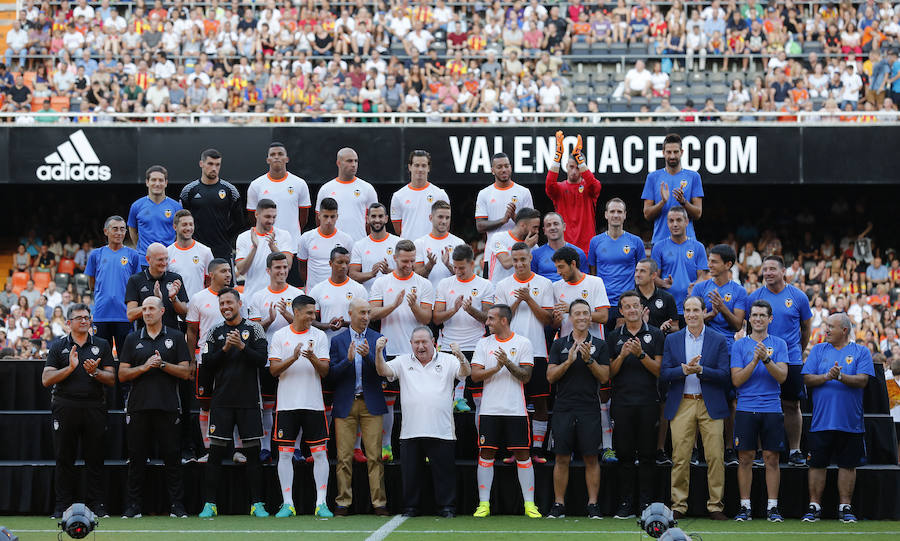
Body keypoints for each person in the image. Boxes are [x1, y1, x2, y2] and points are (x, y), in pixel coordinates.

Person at [375, 327, 470, 517]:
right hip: (411, 430)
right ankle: (411, 507)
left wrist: (459, 354)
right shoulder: (403, 361)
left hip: (442, 429)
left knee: (444, 474)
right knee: (411, 474)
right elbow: (382, 370)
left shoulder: (449, 359)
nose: (420, 346)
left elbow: (466, 372)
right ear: (410, 344)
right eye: (416, 342)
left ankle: (447, 507)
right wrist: (378, 352)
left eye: (424, 342)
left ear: (433, 341)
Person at [118, 296, 192, 519]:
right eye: (144, 308)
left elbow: (186, 372)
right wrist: (144, 367)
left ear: (161, 312)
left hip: (168, 407)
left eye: (151, 308)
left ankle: (177, 506)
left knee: (172, 458)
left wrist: (162, 364)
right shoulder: (132, 339)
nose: (146, 312)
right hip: (138, 407)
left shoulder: (177, 337)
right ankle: (133, 507)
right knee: (137, 459)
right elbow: (122, 375)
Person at [198, 288, 269, 518]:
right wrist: (226, 348)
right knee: (216, 454)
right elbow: (207, 363)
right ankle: (210, 504)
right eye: (222, 304)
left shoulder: (254, 328)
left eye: (229, 302)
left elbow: (262, 360)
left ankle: (257, 504)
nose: (225, 307)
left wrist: (242, 347)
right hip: (222, 401)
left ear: (239, 303)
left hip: (249, 401)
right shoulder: (214, 331)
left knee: (252, 454)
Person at [41, 303, 115, 519]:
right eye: (79, 317)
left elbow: (111, 379)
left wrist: (95, 372)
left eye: (87, 317)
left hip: (95, 406)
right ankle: (62, 506)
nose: (84, 320)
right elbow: (46, 379)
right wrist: (70, 368)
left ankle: (97, 505)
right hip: (65, 406)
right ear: (68, 322)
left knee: (96, 458)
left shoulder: (101, 344)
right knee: (64, 458)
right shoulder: (58, 346)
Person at [660, 295, 730, 520]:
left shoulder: (718, 339)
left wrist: (700, 370)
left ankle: (716, 506)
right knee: (680, 457)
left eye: (695, 310)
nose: (691, 314)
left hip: (710, 404)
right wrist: (683, 370)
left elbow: (724, 375)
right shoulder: (672, 339)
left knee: (715, 457)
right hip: (683, 403)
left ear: (703, 312)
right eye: (687, 310)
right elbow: (664, 373)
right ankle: (678, 505)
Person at [801, 313, 875, 524]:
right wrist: (826, 376)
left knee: (847, 465)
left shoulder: (861, 352)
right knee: (816, 464)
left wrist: (841, 376)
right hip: (821, 421)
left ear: (844, 330)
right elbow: (806, 378)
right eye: (826, 326)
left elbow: (862, 381)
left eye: (830, 327)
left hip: (850, 421)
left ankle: (845, 506)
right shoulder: (817, 350)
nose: (826, 331)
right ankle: (814, 506)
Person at [470, 304, 541, 519]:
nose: (487, 322)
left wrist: (507, 362)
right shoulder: (483, 343)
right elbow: (475, 376)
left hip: (515, 409)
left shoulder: (523, 343)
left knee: (522, 454)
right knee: (486, 454)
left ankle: (530, 504)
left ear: (504, 320)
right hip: (490, 409)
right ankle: (484, 504)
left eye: (491, 318)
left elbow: (526, 376)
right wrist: (496, 367)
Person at [268, 295, 333, 518]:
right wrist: (293, 358)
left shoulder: (320, 335)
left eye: (313, 313)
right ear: (296, 312)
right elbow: (274, 371)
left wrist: (313, 357)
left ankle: (321, 503)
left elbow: (324, 371)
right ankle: (288, 504)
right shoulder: (280, 336)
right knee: (284, 455)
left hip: (313, 404)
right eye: (309, 313)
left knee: (320, 454)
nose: (312, 317)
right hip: (287, 405)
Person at [369, 239, 435, 460]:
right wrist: (394, 306)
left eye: (412, 261)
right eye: (404, 261)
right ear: (394, 258)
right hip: (391, 349)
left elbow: (427, 319)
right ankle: (386, 445)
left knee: (419, 400)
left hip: (418, 352)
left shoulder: (423, 284)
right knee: (388, 402)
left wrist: (414, 305)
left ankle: (424, 445)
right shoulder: (381, 283)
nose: (409, 265)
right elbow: (372, 314)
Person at [545, 299, 610, 519]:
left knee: (591, 457)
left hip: (589, 407)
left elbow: (605, 376)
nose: (582, 317)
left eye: (585, 313)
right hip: (564, 407)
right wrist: (569, 361)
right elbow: (551, 377)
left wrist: (589, 360)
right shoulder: (559, 344)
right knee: (562, 457)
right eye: (577, 313)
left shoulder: (600, 344)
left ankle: (592, 505)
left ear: (590, 317)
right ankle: (558, 504)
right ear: (570, 317)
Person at [747, 255, 812, 466]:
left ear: (783, 271)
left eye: (772, 269)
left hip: (791, 359)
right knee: (759, 402)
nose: (768, 273)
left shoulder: (798, 296)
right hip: (760, 357)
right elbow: (750, 329)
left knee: (792, 405)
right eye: (765, 269)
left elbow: (806, 328)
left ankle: (795, 450)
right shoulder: (755, 296)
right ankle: (759, 452)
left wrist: (798, 351)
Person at [328, 298, 390, 516]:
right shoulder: (337, 341)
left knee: (374, 456)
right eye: (362, 312)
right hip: (346, 403)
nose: (366, 317)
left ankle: (379, 503)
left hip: (371, 402)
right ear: (351, 314)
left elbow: (384, 372)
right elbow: (331, 375)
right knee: (343, 457)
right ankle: (343, 503)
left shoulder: (377, 339)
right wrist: (348, 360)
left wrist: (369, 356)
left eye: (368, 313)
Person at [494, 242, 555, 459]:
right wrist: (518, 300)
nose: (519, 264)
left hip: (538, 351)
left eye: (523, 259)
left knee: (539, 401)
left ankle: (537, 449)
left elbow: (549, 320)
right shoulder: (503, 285)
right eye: (516, 260)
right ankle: (516, 450)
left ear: (530, 259)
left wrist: (529, 299)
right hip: (510, 352)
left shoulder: (545, 283)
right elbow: (499, 321)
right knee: (515, 404)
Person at [607, 291, 665, 519]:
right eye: (627, 307)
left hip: (648, 403)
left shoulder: (657, 335)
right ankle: (626, 503)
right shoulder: (613, 336)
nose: (632, 310)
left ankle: (645, 504)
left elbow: (659, 371)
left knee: (649, 456)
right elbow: (608, 374)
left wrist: (641, 355)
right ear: (621, 311)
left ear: (643, 309)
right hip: (621, 404)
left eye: (635, 306)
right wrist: (622, 356)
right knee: (624, 456)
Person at [730, 299, 788, 522]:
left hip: (772, 408)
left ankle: (772, 507)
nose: (758, 319)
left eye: (762, 315)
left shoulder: (780, 344)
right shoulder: (739, 345)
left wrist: (766, 358)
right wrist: (755, 360)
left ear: (770, 319)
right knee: (745, 458)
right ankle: (745, 506)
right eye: (754, 315)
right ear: (749, 319)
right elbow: (736, 380)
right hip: (746, 408)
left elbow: (782, 377)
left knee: (771, 458)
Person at [691, 243, 747, 466]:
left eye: (714, 261)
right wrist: (709, 315)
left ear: (728, 264)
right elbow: (692, 320)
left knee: (730, 401)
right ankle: (695, 450)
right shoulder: (700, 288)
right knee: (696, 399)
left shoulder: (739, 292)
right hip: (701, 348)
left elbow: (737, 325)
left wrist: (722, 309)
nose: (709, 265)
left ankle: (729, 448)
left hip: (728, 351)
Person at [247, 252, 303, 462]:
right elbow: (251, 331)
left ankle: (295, 448)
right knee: (268, 405)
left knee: (293, 404)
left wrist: (290, 317)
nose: (282, 271)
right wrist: (269, 320)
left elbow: (306, 326)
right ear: (268, 271)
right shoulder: (258, 296)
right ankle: (266, 448)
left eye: (284, 268)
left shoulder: (297, 294)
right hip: (268, 358)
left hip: (293, 358)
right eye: (277, 268)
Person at [185, 259, 243, 461]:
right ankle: (209, 451)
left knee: (237, 402)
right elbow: (191, 331)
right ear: (211, 274)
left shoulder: (239, 296)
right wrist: (192, 360)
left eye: (229, 270)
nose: (228, 274)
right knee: (206, 405)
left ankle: (237, 450)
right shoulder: (198, 298)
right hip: (206, 358)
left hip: (234, 358)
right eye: (223, 271)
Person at [433, 244, 494, 415]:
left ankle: (479, 439)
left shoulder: (485, 285)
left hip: (476, 346)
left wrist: (471, 310)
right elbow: (436, 318)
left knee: (479, 399)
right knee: (446, 399)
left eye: (462, 268)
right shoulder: (445, 284)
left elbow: (489, 319)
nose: (458, 271)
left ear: (472, 263)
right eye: (455, 267)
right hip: (448, 346)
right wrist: (453, 309)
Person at [85, 215, 141, 360]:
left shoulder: (133, 255)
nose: (119, 232)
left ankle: (124, 384)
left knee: (126, 358)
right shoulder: (95, 254)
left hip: (125, 315)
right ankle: (106, 384)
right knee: (101, 359)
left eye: (122, 229)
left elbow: (137, 284)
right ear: (106, 231)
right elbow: (91, 283)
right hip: (101, 314)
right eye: (115, 229)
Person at [588, 198, 646, 332]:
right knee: (604, 344)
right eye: (612, 211)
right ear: (606, 215)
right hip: (603, 302)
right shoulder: (595, 241)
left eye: (619, 211)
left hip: (627, 302)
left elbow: (642, 272)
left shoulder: (636, 241)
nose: (615, 215)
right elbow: (592, 272)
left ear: (625, 215)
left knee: (625, 344)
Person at [246, 142, 311, 258]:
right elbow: (252, 216)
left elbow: (303, 217)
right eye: (273, 154)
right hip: (264, 246)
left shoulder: (299, 184)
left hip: (292, 246)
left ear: (286, 159)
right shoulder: (256, 185)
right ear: (268, 159)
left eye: (280, 154)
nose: (276, 157)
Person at [179, 149, 244, 261]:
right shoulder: (188, 191)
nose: (214, 168)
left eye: (217, 164)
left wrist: (225, 235)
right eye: (210, 164)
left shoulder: (230, 190)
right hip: (195, 249)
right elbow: (181, 219)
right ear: (201, 164)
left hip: (222, 249)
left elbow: (239, 221)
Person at [642, 133, 704, 245]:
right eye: (669, 152)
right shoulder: (652, 177)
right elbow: (647, 214)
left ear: (682, 152)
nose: (672, 156)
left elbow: (698, 213)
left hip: (688, 242)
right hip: (660, 242)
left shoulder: (694, 177)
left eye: (675, 152)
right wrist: (662, 202)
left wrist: (683, 201)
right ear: (663, 153)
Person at [545, 131, 602, 253]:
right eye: (571, 167)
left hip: (586, 247)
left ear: (583, 167)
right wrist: (557, 156)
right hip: (563, 247)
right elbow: (549, 185)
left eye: (578, 167)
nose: (574, 171)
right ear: (566, 166)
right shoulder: (559, 188)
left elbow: (594, 184)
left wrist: (580, 160)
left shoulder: (589, 188)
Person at [651, 206, 709, 321]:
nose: (675, 224)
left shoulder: (698, 247)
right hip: (666, 307)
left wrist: (695, 287)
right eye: (671, 221)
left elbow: (703, 276)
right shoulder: (658, 247)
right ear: (667, 223)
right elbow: (653, 277)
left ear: (686, 222)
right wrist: (662, 283)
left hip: (691, 307)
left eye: (679, 220)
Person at [314, 148, 378, 242]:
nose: (353, 165)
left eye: (356, 161)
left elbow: (373, 220)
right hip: (332, 244)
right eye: (349, 161)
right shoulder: (326, 189)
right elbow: (319, 219)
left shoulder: (367, 188)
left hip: (359, 243)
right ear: (338, 163)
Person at [236, 198, 294, 301]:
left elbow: (288, 265)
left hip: (278, 298)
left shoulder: (284, 235)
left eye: (274, 217)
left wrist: (273, 247)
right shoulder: (244, 237)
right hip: (252, 298)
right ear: (256, 214)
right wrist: (254, 248)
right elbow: (241, 270)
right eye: (267, 216)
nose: (271, 221)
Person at [125, 243, 189, 330]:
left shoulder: (175, 278)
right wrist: (154, 301)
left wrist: (174, 298)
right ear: (148, 259)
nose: (164, 263)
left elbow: (184, 315)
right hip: (144, 337)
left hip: (171, 336)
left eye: (166, 259)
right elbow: (131, 315)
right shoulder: (135, 280)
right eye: (160, 260)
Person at [308, 247, 368, 340]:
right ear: (330, 263)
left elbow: (366, 320)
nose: (344, 266)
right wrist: (328, 325)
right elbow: (311, 320)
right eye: (340, 262)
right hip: (326, 344)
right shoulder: (318, 289)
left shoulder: (359, 289)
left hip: (352, 343)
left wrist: (345, 324)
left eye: (347, 263)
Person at [391, 150, 450, 241]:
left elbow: (445, 225)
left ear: (428, 168)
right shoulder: (398, 196)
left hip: (432, 249)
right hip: (408, 250)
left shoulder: (440, 194)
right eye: (416, 165)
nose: (420, 169)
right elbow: (398, 229)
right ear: (410, 167)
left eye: (424, 166)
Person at [297, 197, 354, 291]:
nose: (329, 221)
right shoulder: (306, 238)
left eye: (332, 217)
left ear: (337, 217)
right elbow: (302, 267)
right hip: (313, 291)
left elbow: (349, 268)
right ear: (319, 215)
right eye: (326, 216)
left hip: (337, 291)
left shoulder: (346, 240)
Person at [128, 165, 182, 261]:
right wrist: (140, 249)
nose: (157, 183)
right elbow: (132, 229)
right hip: (144, 260)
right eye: (153, 180)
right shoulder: (136, 206)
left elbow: (180, 232)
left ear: (166, 183)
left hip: (169, 260)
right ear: (147, 182)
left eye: (161, 180)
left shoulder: (176, 207)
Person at [475, 152, 534, 235]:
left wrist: (514, 217)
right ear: (492, 171)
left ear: (511, 167)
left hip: (518, 246)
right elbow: (480, 226)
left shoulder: (524, 192)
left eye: (506, 166)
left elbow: (531, 225)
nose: (504, 170)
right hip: (494, 247)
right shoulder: (484, 194)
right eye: (499, 167)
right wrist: (502, 221)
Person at [413, 200, 464, 289]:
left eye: (447, 217)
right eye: (440, 217)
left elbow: (464, 275)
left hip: (452, 297)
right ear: (431, 217)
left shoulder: (459, 243)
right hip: (427, 298)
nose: (444, 221)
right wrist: (430, 265)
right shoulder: (420, 243)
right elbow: (416, 277)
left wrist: (448, 265)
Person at [350, 203, 400, 291]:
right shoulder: (359, 245)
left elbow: (409, 272)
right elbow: (353, 274)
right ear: (367, 219)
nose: (377, 220)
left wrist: (389, 271)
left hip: (394, 297)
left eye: (380, 216)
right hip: (369, 299)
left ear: (386, 219)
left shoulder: (398, 243)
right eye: (373, 216)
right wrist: (371, 274)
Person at [484, 208, 541, 282]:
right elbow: (506, 263)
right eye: (535, 227)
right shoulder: (499, 237)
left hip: (521, 290)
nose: (537, 231)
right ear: (523, 225)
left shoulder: (534, 246)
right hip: (498, 290)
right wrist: (526, 246)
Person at [166, 209, 214, 297]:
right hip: (175, 306)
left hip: (198, 307)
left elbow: (210, 282)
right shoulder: (167, 252)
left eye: (191, 224)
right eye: (184, 225)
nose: (188, 228)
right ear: (175, 227)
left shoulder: (205, 251)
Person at [531, 212, 588, 282]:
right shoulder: (536, 254)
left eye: (556, 224)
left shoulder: (578, 253)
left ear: (564, 227)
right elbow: (533, 281)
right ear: (544, 230)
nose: (552, 227)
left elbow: (584, 280)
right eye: (548, 225)